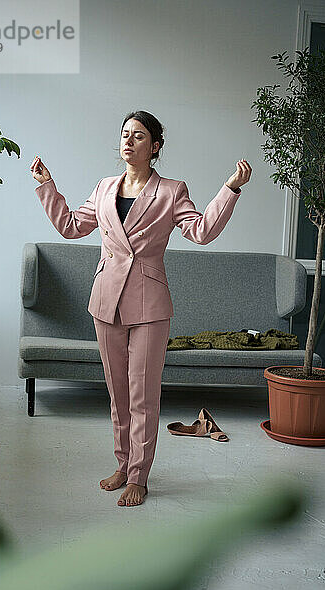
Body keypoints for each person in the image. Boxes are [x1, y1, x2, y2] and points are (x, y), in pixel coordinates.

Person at [30, 110, 252, 507]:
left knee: (142, 395)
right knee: (117, 394)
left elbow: (200, 231)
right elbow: (70, 227)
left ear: (155, 146)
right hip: (106, 300)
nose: (129, 141)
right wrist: (48, 187)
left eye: (138, 136)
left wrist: (230, 188)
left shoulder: (171, 190)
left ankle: (139, 476)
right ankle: (122, 463)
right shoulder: (104, 188)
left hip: (150, 304)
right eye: (125, 135)